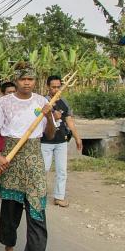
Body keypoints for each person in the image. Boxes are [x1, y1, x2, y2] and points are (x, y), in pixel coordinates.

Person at [0, 63, 56, 251]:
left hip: (33, 159)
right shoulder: (4, 102)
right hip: (11, 158)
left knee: (37, 209)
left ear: (35, 81)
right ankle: (9, 248)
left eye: (30, 79)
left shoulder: (42, 102)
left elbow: (50, 134)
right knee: (11, 208)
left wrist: (49, 117)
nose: (27, 83)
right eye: (23, 79)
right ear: (16, 81)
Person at [41, 75, 83, 208]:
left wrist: (77, 137)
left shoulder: (64, 102)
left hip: (61, 141)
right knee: (43, 169)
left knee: (62, 170)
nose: (56, 89)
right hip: (45, 142)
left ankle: (59, 197)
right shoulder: (43, 101)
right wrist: (52, 116)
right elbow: (38, 120)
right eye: (53, 87)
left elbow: (69, 120)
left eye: (58, 87)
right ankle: (38, 195)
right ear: (48, 87)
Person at [0, 81, 17, 201]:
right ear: (3, 94)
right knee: (1, 166)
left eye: (13, 92)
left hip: (16, 143)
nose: (11, 95)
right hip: (0, 141)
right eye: (8, 92)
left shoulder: (19, 106)